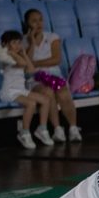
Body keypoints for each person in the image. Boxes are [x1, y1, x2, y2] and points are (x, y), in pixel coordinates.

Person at [22, 8, 81, 142]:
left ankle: (73, 128)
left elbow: (56, 59)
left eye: (40, 20)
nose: (39, 23)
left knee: (63, 92)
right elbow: (27, 63)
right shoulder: (24, 41)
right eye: (34, 21)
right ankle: (57, 129)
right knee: (47, 92)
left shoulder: (52, 37)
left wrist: (35, 63)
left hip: (53, 74)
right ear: (27, 23)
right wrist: (31, 42)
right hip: (35, 77)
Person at [0, 30, 58, 149]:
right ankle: (24, 132)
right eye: (14, 42)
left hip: (21, 90)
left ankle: (42, 129)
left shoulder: (17, 55)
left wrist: (24, 53)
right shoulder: (5, 57)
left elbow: (31, 69)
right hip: (9, 92)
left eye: (19, 42)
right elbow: (22, 64)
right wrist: (19, 53)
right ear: (5, 44)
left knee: (46, 100)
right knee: (31, 104)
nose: (18, 45)